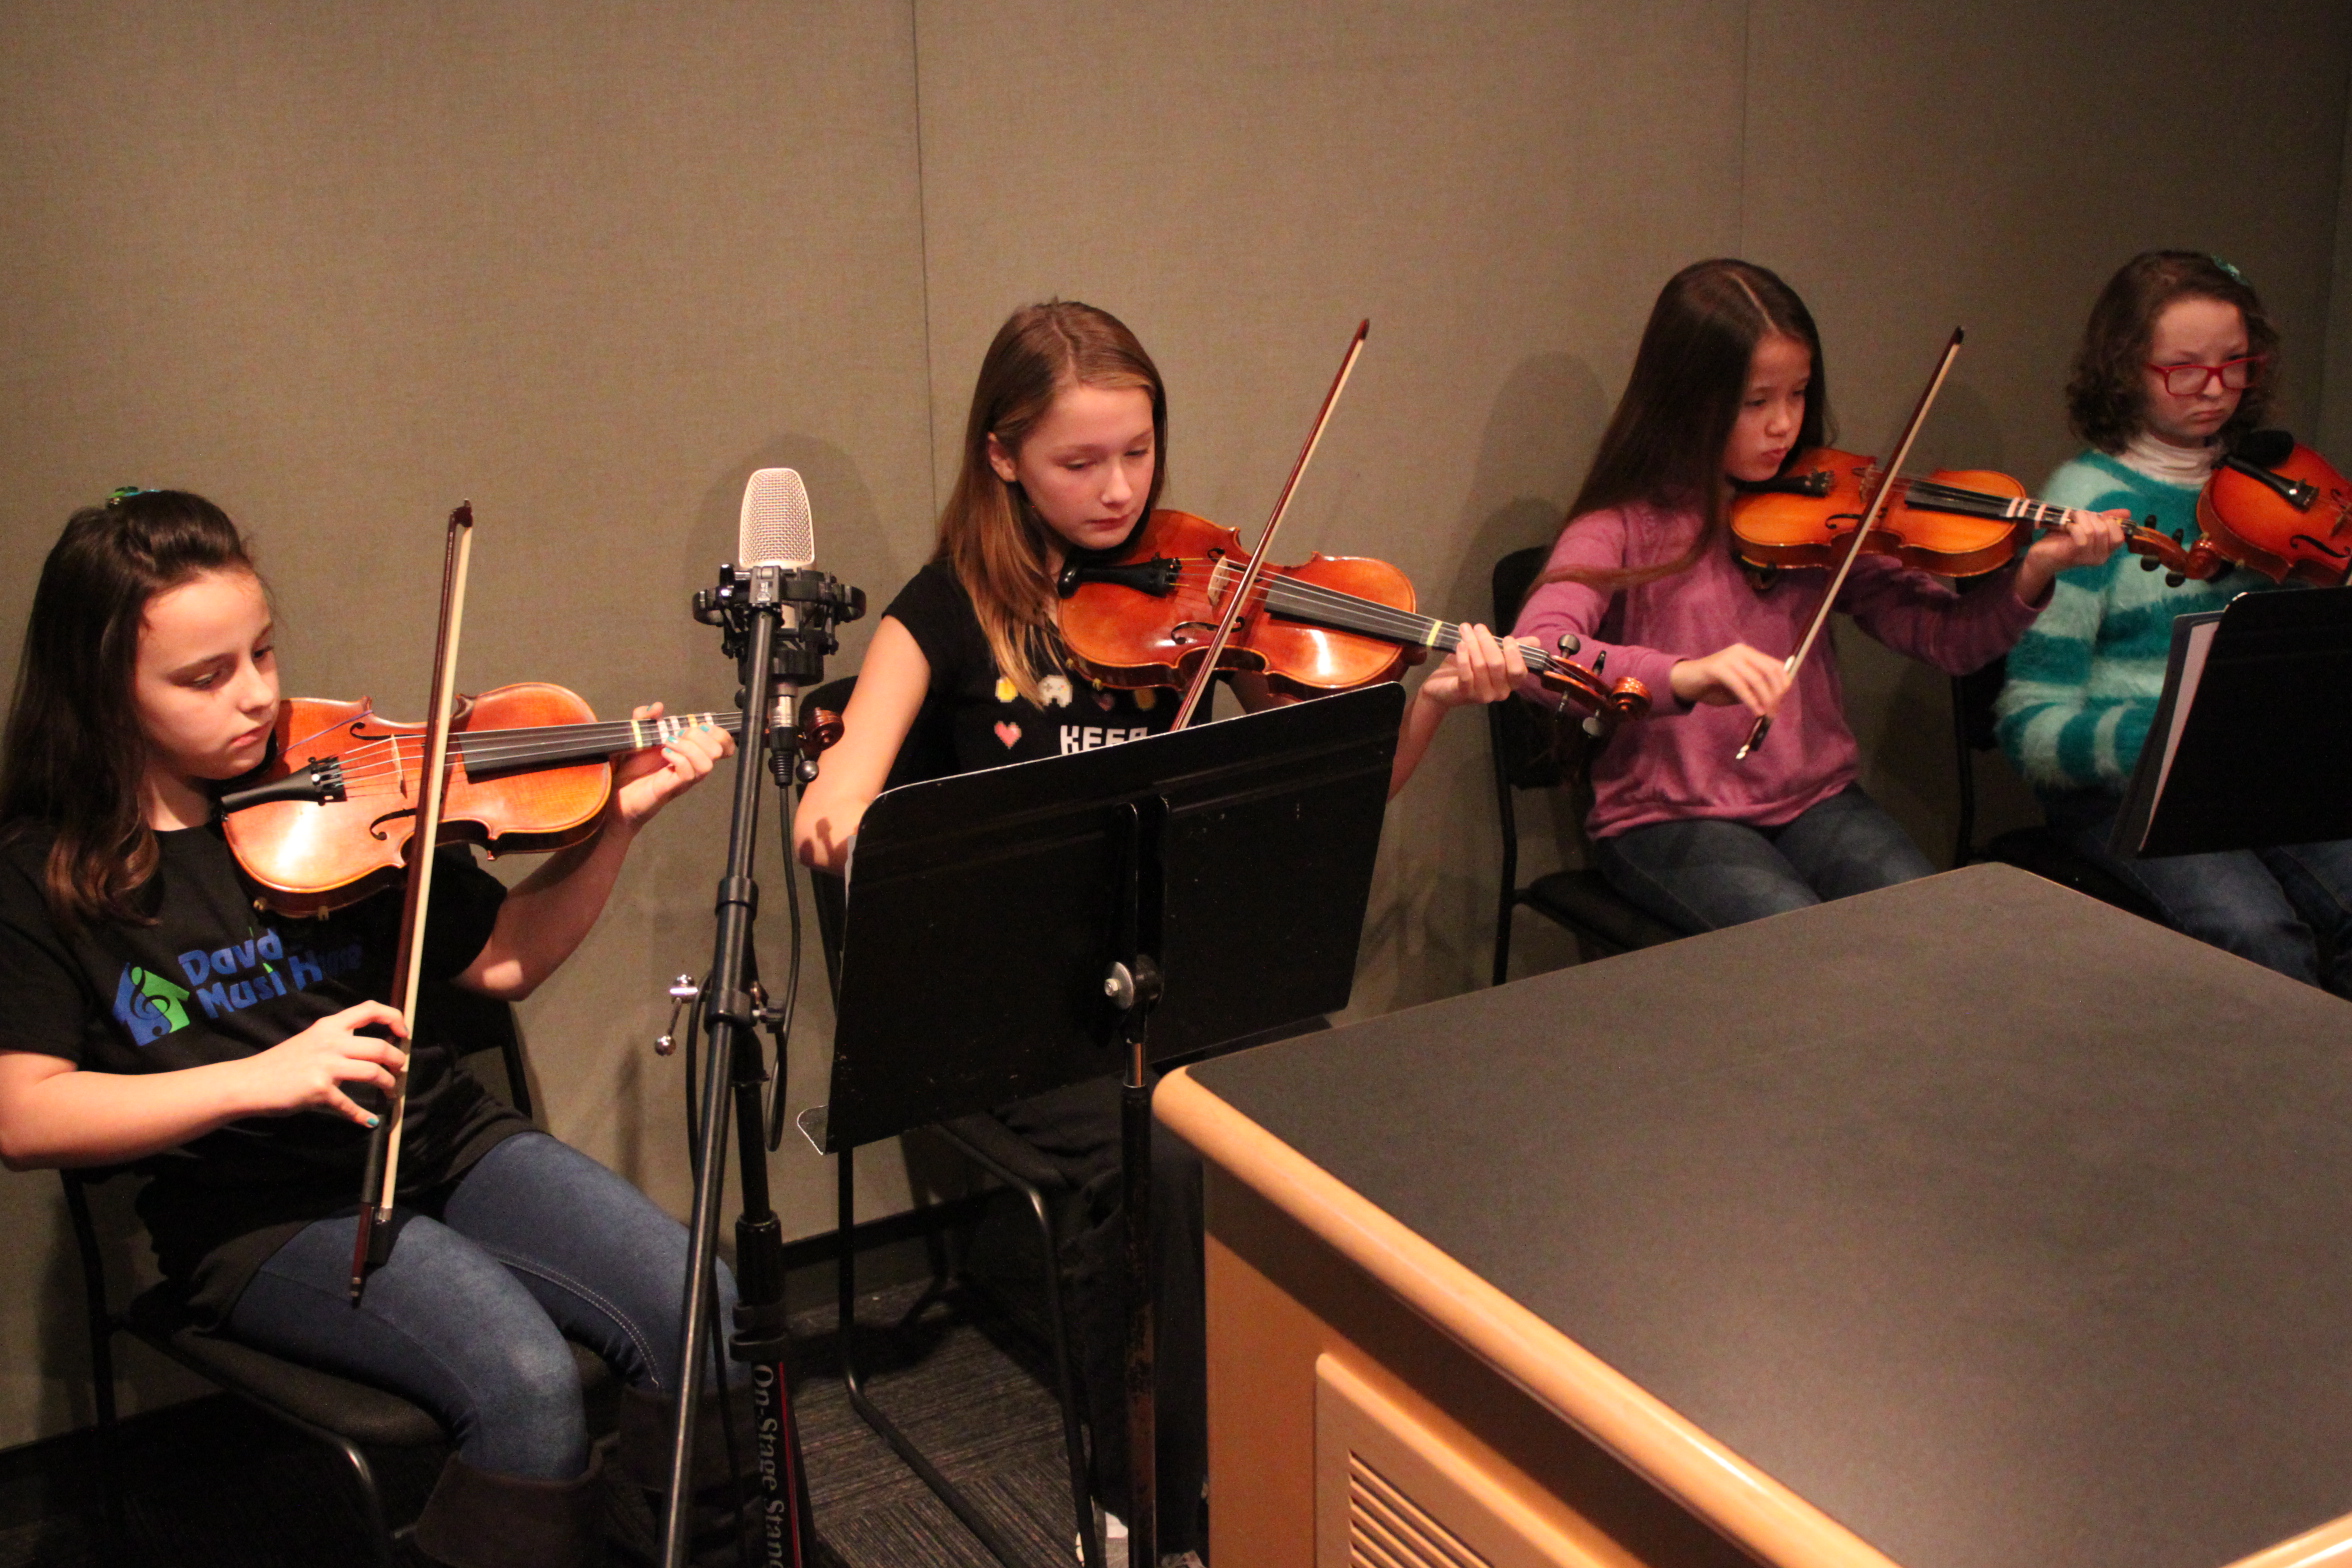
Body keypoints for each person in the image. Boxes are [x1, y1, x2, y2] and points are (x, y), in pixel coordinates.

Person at [791, 299, 1523, 1563]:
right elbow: (839, 785)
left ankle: (1313, 1421)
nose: (1120, 487)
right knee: (1155, 1154)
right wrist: (852, 812)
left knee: (1323, 1101)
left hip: (1182, 972)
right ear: (1003, 456)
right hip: (1030, 1011)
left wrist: (1438, 698)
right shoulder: (944, 611)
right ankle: (1144, 1486)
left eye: (1139, 452)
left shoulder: (1202, 589)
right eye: (1082, 461)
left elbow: (1337, 783)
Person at [0, 490, 741, 1568]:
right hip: (258, 1213)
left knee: (700, 1301)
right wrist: (264, 1075)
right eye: (205, 677)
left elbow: (507, 960)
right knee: (528, 1386)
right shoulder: (43, 869)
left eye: (261, 653)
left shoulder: (347, 785)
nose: (256, 698)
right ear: (101, 686)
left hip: (442, 1138)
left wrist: (613, 829)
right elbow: (23, 1113)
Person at [1512, 258, 2124, 934]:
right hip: (1666, 818)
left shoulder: (1819, 511)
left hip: (1816, 803)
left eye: (1798, 394)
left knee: (1936, 924)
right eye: (1756, 402)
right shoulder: (1621, 523)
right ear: (1686, 398)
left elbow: (1948, 641)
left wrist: (2033, 572)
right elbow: (1539, 653)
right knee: (1804, 944)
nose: (1784, 424)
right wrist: (1684, 675)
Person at [1995, 251, 2352, 994]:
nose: (2215, 391)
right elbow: (2030, 721)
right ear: (2126, 370)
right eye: (2184, 369)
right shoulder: (2087, 503)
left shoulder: (2272, 490)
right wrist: (2150, 740)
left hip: (2256, 770)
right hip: (2126, 787)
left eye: (2234, 364)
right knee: (2257, 937)